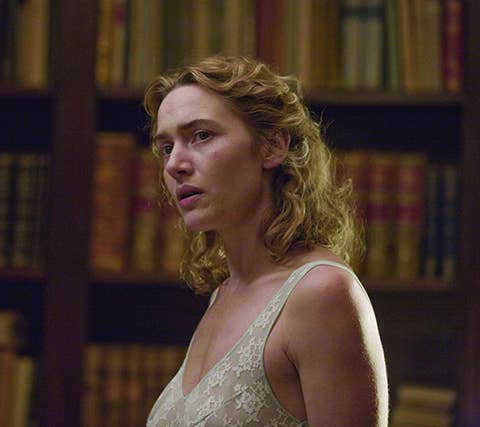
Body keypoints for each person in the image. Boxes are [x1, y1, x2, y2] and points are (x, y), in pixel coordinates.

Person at [143, 56, 389, 426]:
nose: (175, 164)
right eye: (166, 147)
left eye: (201, 135)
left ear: (272, 146)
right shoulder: (223, 295)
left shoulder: (322, 293)